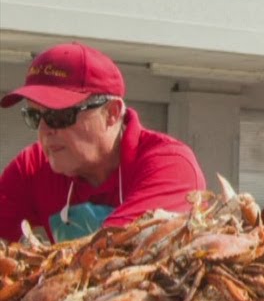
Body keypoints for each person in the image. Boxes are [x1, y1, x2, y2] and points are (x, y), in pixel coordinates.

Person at [0, 42, 206, 242]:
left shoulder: (172, 166)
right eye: (34, 116)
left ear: (111, 113)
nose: (45, 130)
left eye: (58, 116)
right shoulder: (34, 167)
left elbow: (110, 250)